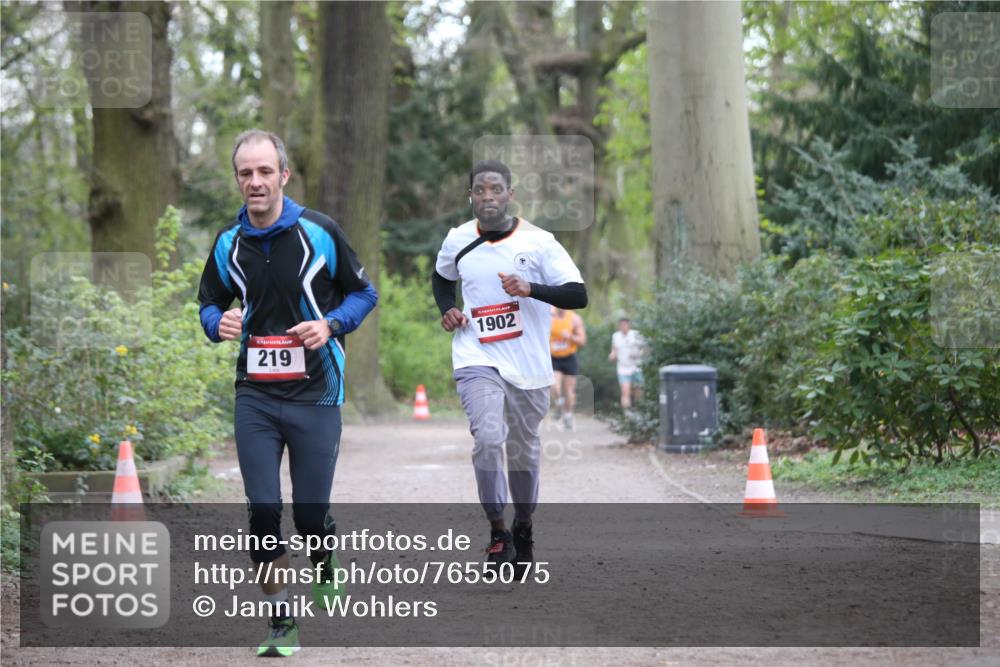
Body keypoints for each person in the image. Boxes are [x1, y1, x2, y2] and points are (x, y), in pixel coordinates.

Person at [197, 129, 377, 657]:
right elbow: (208, 301)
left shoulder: (319, 232)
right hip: (254, 394)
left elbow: (364, 292)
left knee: (309, 515)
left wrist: (333, 324)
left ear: (284, 175)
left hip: (316, 391)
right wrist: (217, 323)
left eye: (264, 171)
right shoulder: (229, 243)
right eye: (245, 173)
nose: (255, 182)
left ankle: (324, 556)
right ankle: (281, 622)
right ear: (238, 179)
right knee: (262, 511)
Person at [432, 159, 587, 572]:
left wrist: (531, 288)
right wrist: (448, 309)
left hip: (529, 365)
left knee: (523, 450)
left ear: (510, 195)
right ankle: (498, 531)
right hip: (476, 355)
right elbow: (442, 277)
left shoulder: (539, 242)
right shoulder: (458, 239)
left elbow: (578, 294)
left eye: (495, 190)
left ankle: (523, 525)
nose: (487, 197)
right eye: (479, 190)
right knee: (487, 437)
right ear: (470, 196)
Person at [549, 306, 587, 431]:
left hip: (569, 357)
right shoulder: (549, 316)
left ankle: (568, 415)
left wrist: (570, 336)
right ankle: (559, 402)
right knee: (554, 386)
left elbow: (582, 341)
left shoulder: (574, 319)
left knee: (569, 390)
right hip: (553, 357)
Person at [609, 317, 645, 410]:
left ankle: (640, 411)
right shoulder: (616, 336)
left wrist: (637, 354)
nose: (623, 326)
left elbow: (644, 349)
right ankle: (627, 415)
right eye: (621, 325)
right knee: (625, 391)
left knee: (639, 390)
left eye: (625, 324)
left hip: (636, 367)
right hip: (623, 368)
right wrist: (612, 355)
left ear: (629, 325)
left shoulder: (636, 334)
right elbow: (614, 350)